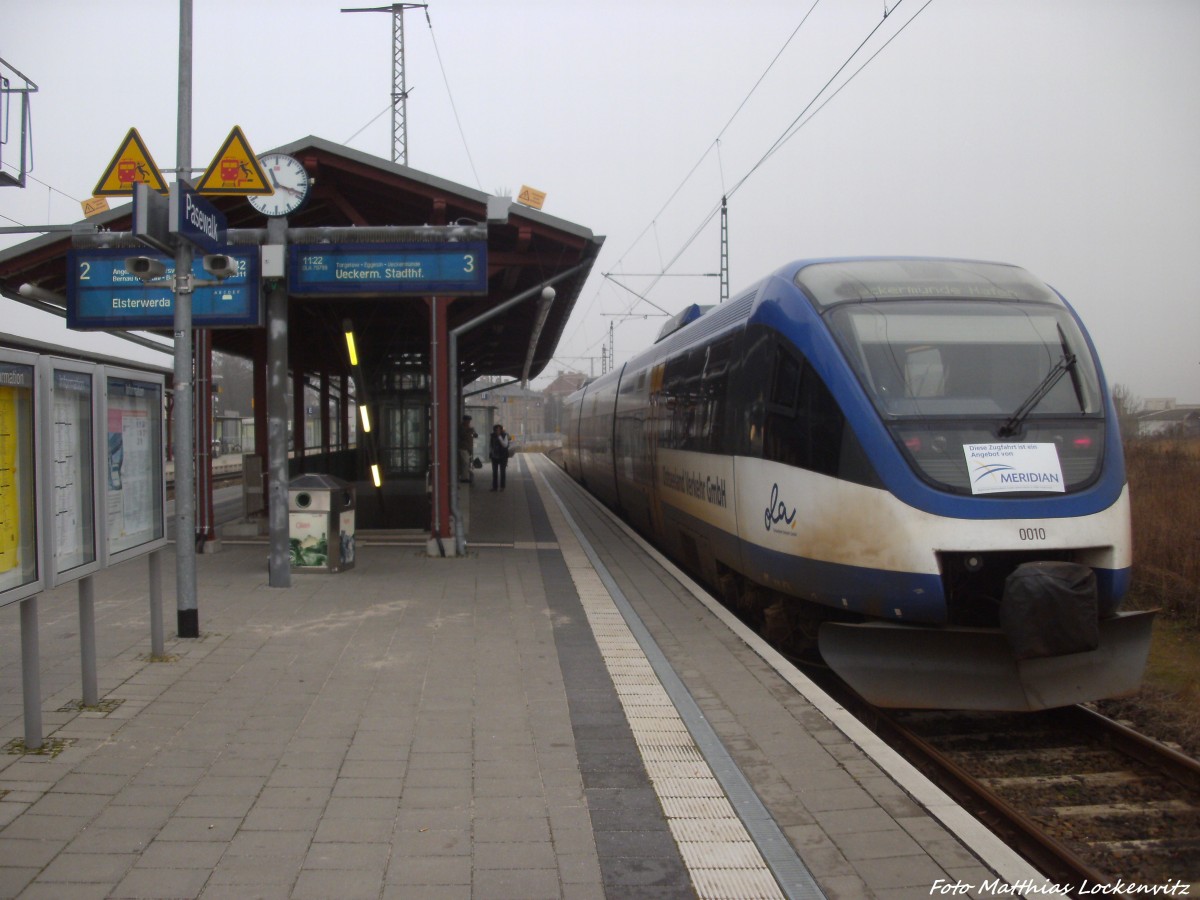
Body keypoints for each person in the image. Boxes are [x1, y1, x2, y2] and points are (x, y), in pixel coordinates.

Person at [489, 423, 511, 491]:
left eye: (499, 430)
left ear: (501, 430)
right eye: (496, 430)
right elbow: (491, 445)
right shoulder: (492, 436)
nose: (497, 431)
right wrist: (491, 453)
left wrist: (499, 437)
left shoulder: (505, 436)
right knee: (494, 472)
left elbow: (505, 445)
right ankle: (494, 487)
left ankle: (502, 487)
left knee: (502, 472)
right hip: (494, 456)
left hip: (503, 456)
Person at [458, 414, 477, 483]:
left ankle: (466, 476)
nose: (469, 422)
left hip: (468, 448)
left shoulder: (468, 428)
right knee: (465, 463)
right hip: (463, 447)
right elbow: (463, 436)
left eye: (469, 421)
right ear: (464, 420)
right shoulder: (461, 427)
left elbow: (473, 435)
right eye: (468, 421)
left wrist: (473, 433)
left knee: (467, 463)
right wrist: (470, 430)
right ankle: (464, 478)